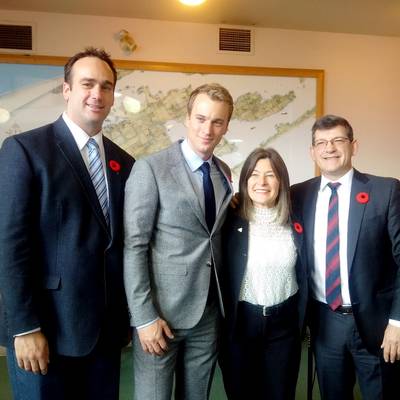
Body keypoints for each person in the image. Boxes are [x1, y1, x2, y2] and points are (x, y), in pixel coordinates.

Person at [0, 47, 135, 400]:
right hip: (46, 334)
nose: (97, 94)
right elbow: (10, 245)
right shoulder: (24, 150)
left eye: (106, 86)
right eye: (87, 83)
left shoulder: (125, 163)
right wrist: (24, 327)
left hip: (105, 335)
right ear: (67, 90)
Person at [123, 83, 234, 400]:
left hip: (209, 314)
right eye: (200, 118)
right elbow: (135, 246)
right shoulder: (151, 169)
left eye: (217, 122)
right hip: (161, 317)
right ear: (187, 118)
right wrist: (143, 318)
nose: (207, 129)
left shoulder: (223, 171)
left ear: (226, 126)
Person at [291, 114, 400, 399]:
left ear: (354, 145)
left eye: (338, 140)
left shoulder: (386, 191)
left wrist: (397, 322)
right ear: (312, 152)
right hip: (326, 323)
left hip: (379, 326)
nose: (330, 148)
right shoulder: (298, 195)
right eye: (321, 143)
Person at [219, 147, 307, 400]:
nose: (262, 182)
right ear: (245, 181)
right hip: (240, 325)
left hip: (284, 326)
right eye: (254, 175)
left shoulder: (297, 219)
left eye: (270, 175)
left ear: (281, 181)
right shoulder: (228, 218)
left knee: (280, 394)